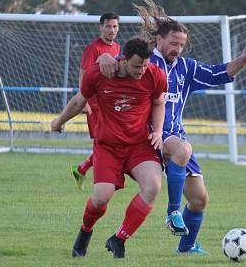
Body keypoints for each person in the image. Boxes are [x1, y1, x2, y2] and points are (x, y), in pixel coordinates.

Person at [98, 0, 246, 254]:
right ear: (159, 40)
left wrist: (244, 59)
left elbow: (220, 73)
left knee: (199, 199)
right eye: (174, 43)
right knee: (182, 149)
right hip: (148, 137)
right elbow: (116, 62)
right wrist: (105, 55)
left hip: (176, 136)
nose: (178, 49)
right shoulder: (145, 62)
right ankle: (172, 212)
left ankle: (186, 247)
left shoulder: (187, 67)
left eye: (181, 45)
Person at [51, 37, 167, 258]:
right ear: (123, 59)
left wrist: (158, 131)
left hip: (139, 145)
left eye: (144, 65)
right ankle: (85, 232)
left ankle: (119, 239)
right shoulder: (99, 73)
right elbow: (78, 101)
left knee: (153, 187)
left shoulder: (154, 74)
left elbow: (159, 102)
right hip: (108, 147)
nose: (141, 70)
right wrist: (59, 121)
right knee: (101, 198)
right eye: (136, 66)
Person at [71, 12, 121, 190]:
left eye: (114, 26)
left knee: (109, 140)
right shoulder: (93, 48)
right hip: (94, 103)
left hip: (110, 103)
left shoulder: (117, 48)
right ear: (101, 27)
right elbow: (84, 74)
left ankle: (82, 169)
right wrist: (83, 101)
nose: (111, 30)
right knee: (103, 141)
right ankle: (102, 180)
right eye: (108, 26)